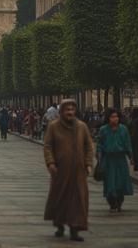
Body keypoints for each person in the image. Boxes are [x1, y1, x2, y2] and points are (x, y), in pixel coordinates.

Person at [43, 99, 94, 242]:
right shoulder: (53, 127)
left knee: (78, 200)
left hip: (78, 172)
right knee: (59, 198)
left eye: (72, 109)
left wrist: (89, 163)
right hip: (60, 171)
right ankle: (59, 224)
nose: (70, 112)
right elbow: (48, 146)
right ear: (61, 112)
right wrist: (51, 162)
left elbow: (89, 146)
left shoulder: (82, 127)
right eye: (67, 110)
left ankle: (75, 228)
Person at [97, 109, 134, 212]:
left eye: (116, 117)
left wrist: (131, 157)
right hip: (109, 160)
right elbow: (99, 144)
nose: (115, 119)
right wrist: (99, 157)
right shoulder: (103, 130)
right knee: (110, 182)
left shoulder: (123, 129)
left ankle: (119, 201)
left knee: (121, 181)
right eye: (112, 117)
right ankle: (112, 202)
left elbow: (127, 143)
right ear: (108, 118)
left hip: (121, 159)